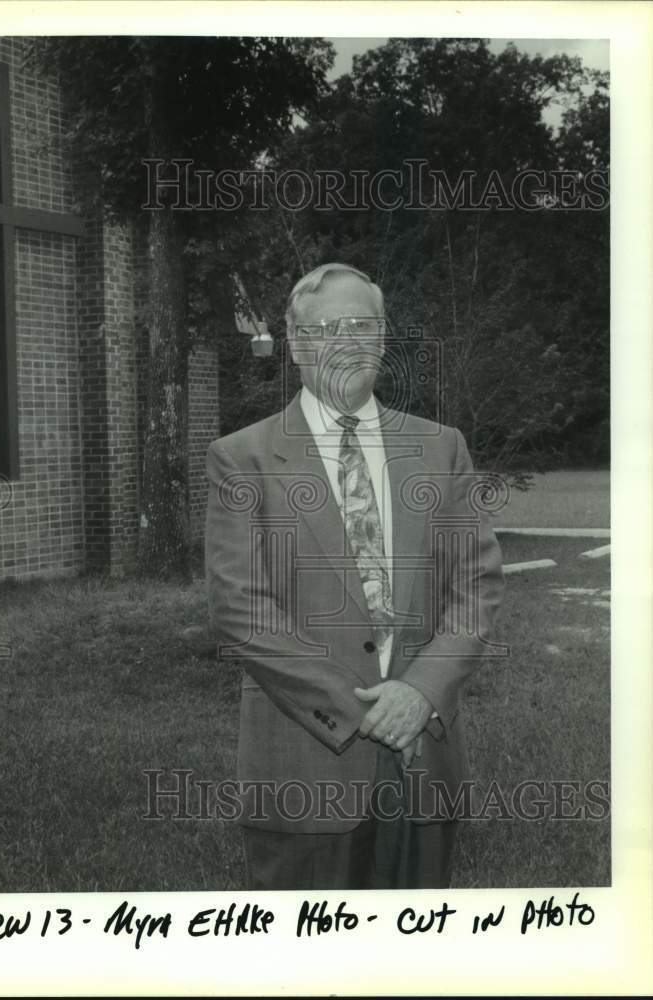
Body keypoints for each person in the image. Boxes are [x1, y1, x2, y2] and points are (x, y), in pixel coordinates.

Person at [205, 262, 505, 890]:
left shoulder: (440, 448)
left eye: (364, 325)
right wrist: (365, 709)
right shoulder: (243, 459)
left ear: (384, 336)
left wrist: (419, 692)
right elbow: (241, 611)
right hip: (303, 768)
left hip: (425, 758)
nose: (349, 342)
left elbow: (475, 587)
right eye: (328, 328)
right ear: (294, 343)